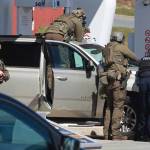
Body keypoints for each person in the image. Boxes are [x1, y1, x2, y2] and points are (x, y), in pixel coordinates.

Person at [100, 32, 138, 140]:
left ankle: (106, 133)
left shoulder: (107, 48)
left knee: (109, 107)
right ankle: (116, 134)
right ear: (120, 38)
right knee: (118, 107)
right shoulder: (120, 47)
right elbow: (134, 57)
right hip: (117, 81)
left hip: (108, 80)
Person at [137, 51, 150, 141]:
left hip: (142, 83)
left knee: (143, 109)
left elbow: (138, 72)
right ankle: (148, 134)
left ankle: (141, 134)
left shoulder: (142, 59)